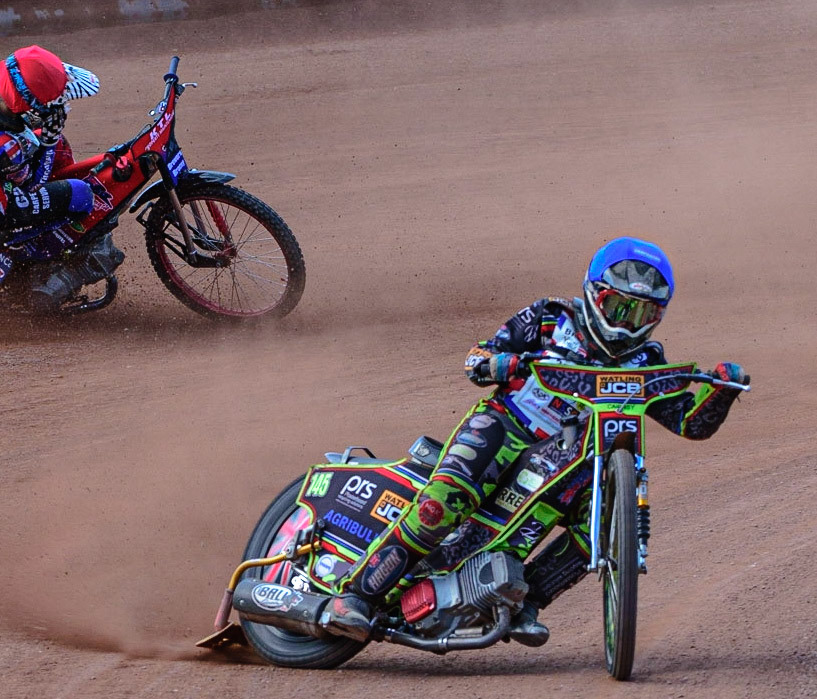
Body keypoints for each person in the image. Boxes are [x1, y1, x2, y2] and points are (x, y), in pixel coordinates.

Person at [320, 236, 749, 644]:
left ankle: (525, 603)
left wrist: (722, 391)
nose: (625, 323)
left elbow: (689, 424)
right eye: (618, 307)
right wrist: (499, 365)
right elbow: (477, 357)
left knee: (598, 529)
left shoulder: (647, 361)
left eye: (641, 314)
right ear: (594, 294)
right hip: (504, 426)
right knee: (441, 504)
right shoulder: (550, 316)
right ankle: (355, 595)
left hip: (567, 456)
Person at [0, 45, 123, 310]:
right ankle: (30, 248)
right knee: (81, 193)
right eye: (50, 104)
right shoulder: (7, 149)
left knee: (58, 151)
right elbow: (34, 182)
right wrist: (49, 139)